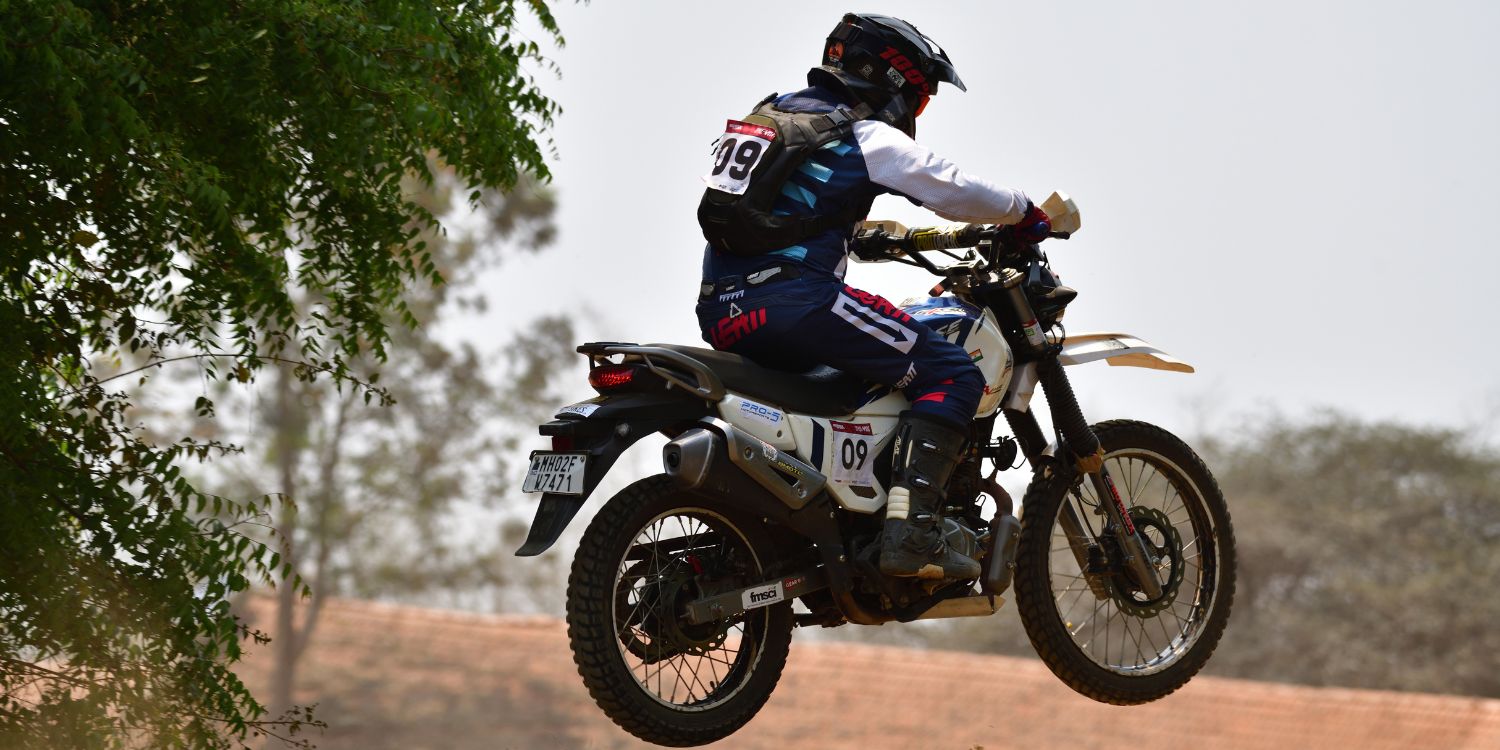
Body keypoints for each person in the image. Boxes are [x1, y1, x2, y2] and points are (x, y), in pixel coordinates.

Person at [694, 13, 1050, 580]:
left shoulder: (768, 116)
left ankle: (831, 512)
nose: (917, 113)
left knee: (858, 383)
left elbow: (782, 218)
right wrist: (1025, 212)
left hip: (724, 311)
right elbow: (949, 187)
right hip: (799, 304)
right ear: (892, 79)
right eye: (921, 98)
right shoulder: (862, 132)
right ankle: (912, 534)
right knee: (952, 374)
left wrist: (877, 236)